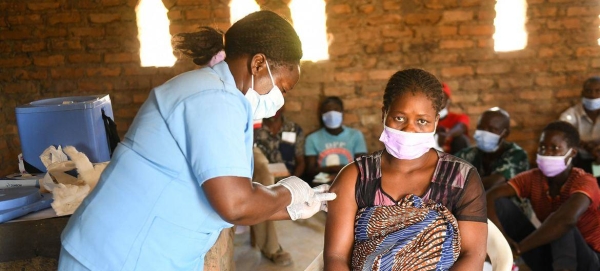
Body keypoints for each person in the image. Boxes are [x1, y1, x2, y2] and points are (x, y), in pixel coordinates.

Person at [57, 11, 336, 271]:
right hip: (116, 257)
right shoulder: (214, 99)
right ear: (258, 63)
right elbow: (236, 204)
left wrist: (293, 208)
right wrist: (288, 193)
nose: (280, 100)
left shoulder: (218, 95)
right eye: (282, 88)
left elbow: (226, 197)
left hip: (147, 253)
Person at [324, 69, 487, 270]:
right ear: (384, 114)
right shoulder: (355, 177)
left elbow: (472, 256)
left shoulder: (461, 178)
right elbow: (336, 257)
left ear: (436, 122)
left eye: (422, 121)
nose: (410, 129)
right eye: (400, 118)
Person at [487, 121, 600, 271]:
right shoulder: (533, 178)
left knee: (562, 224)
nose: (547, 153)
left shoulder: (585, 181)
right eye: (543, 147)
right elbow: (490, 196)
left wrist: (520, 249)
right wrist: (504, 240)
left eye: (555, 148)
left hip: (590, 260)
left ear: (572, 152)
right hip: (552, 255)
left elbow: (566, 219)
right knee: (500, 205)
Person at [455, 107, 529, 191]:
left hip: (505, 202)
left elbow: (494, 182)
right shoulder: (469, 153)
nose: (484, 133)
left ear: (505, 133)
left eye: (491, 129)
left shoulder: (517, 154)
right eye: (480, 128)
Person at [304, 97, 367, 184]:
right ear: (321, 114)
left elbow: (362, 166)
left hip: (350, 182)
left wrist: (334, 171)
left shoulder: (355, 135)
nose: (332, 114)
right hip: (323, 184)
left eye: (336, 110)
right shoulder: (312, 138)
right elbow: (310, 171)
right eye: (327, 111)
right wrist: (336, 169)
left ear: (342, 113)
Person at [560, 76, 600, 184]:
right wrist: (589, 148)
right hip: (579, 159)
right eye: (588, 91)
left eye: (598, 91)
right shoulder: (570, 114)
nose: (593, 95)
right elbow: (564, 136)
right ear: (582, 93)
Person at [254, 109, 306, 177]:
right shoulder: (255, 130)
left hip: (287, 179)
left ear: (283, 107)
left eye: (277, 105)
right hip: (261, 179)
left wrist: (291, 182)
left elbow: (300, 161)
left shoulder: (294, 129)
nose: (274, 109)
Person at [436, 83, 471, 154]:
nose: (438, 100)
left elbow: (461, 127)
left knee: (461, 139)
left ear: (448, 101)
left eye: (442, 97)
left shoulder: (458, 118)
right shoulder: (424, 119)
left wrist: (447, 135)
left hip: (452, 156)